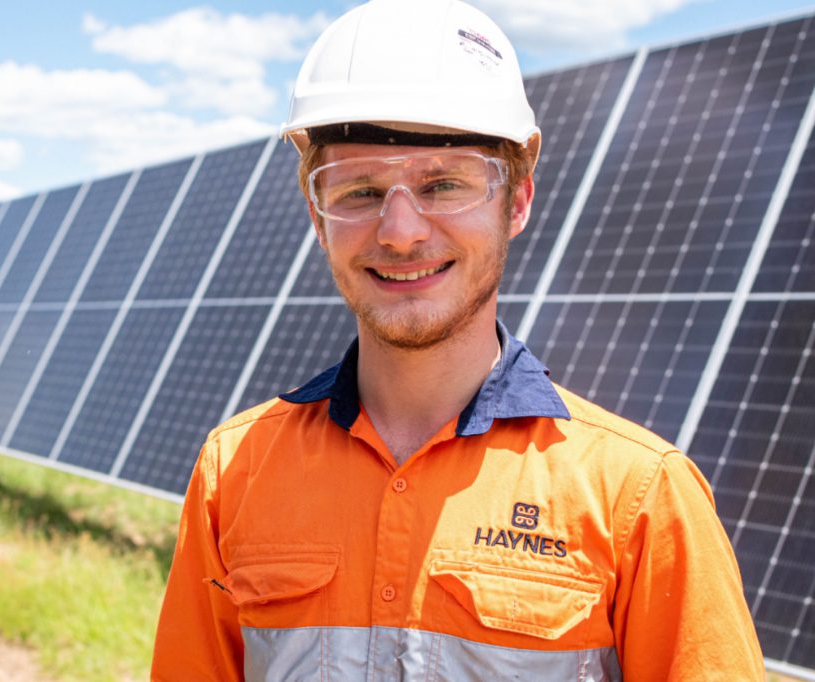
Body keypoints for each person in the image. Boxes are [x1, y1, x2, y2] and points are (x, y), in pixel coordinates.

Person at [151, 0, 764, 679]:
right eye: (358, 191)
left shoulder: (639, 496)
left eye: (444, 184)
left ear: (519, 201)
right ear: (317, 218)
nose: (401, 230)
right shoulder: (233, 473)